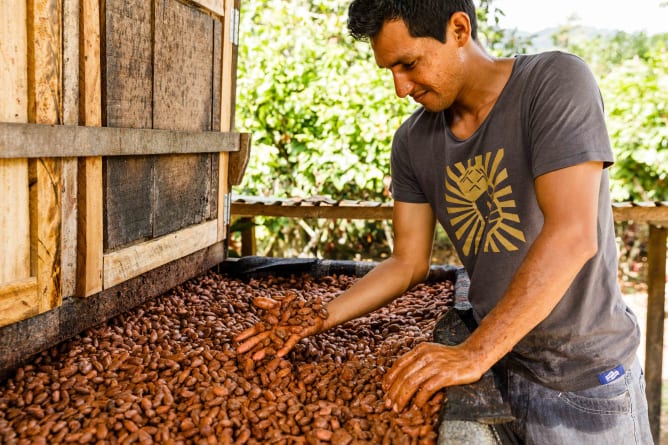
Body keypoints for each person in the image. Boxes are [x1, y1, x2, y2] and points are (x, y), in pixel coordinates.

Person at [237, 0, 653, 442]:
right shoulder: (413, 142)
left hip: (583, 379)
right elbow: (407, 262)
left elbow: (572, 235)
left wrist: (473, 351)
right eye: (390, 71)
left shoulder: (554, 83)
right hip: (499, 367)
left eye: (409, 64)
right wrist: (320, 315)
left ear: (458, 29)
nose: (400, 88)